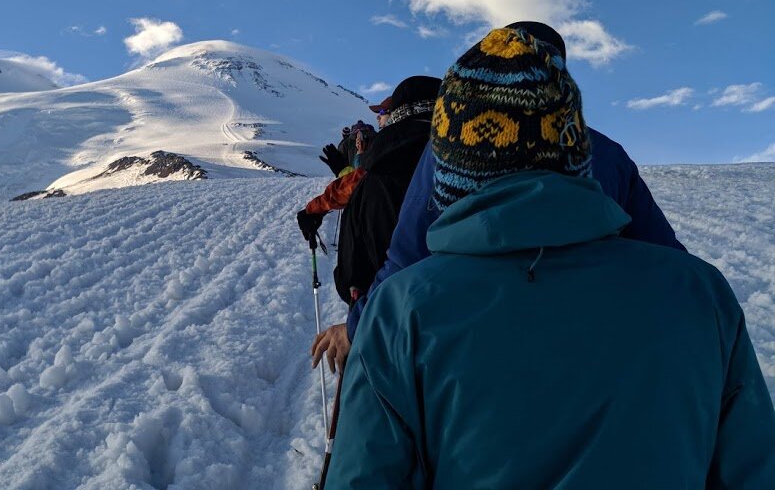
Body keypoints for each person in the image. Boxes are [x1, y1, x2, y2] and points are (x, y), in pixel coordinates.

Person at [326, 27, 775, 487]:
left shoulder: (401, 314)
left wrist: (364, 325)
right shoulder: (700, 295)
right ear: (576, 148)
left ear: (450, 170)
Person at [345, 21, 685, 339]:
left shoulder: (446, 149)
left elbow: (407, 256)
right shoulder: (607, 153)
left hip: (471, 336)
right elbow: (667, 260)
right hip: (595, 331)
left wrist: (358, 325)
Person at [296, 77, 441, 373]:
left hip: (378, 318)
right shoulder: (468, 168)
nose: (380, 118)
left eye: (385, 113)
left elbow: (350, 185)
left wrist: (357, 323)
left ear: (401, 113)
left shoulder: (379, 169)